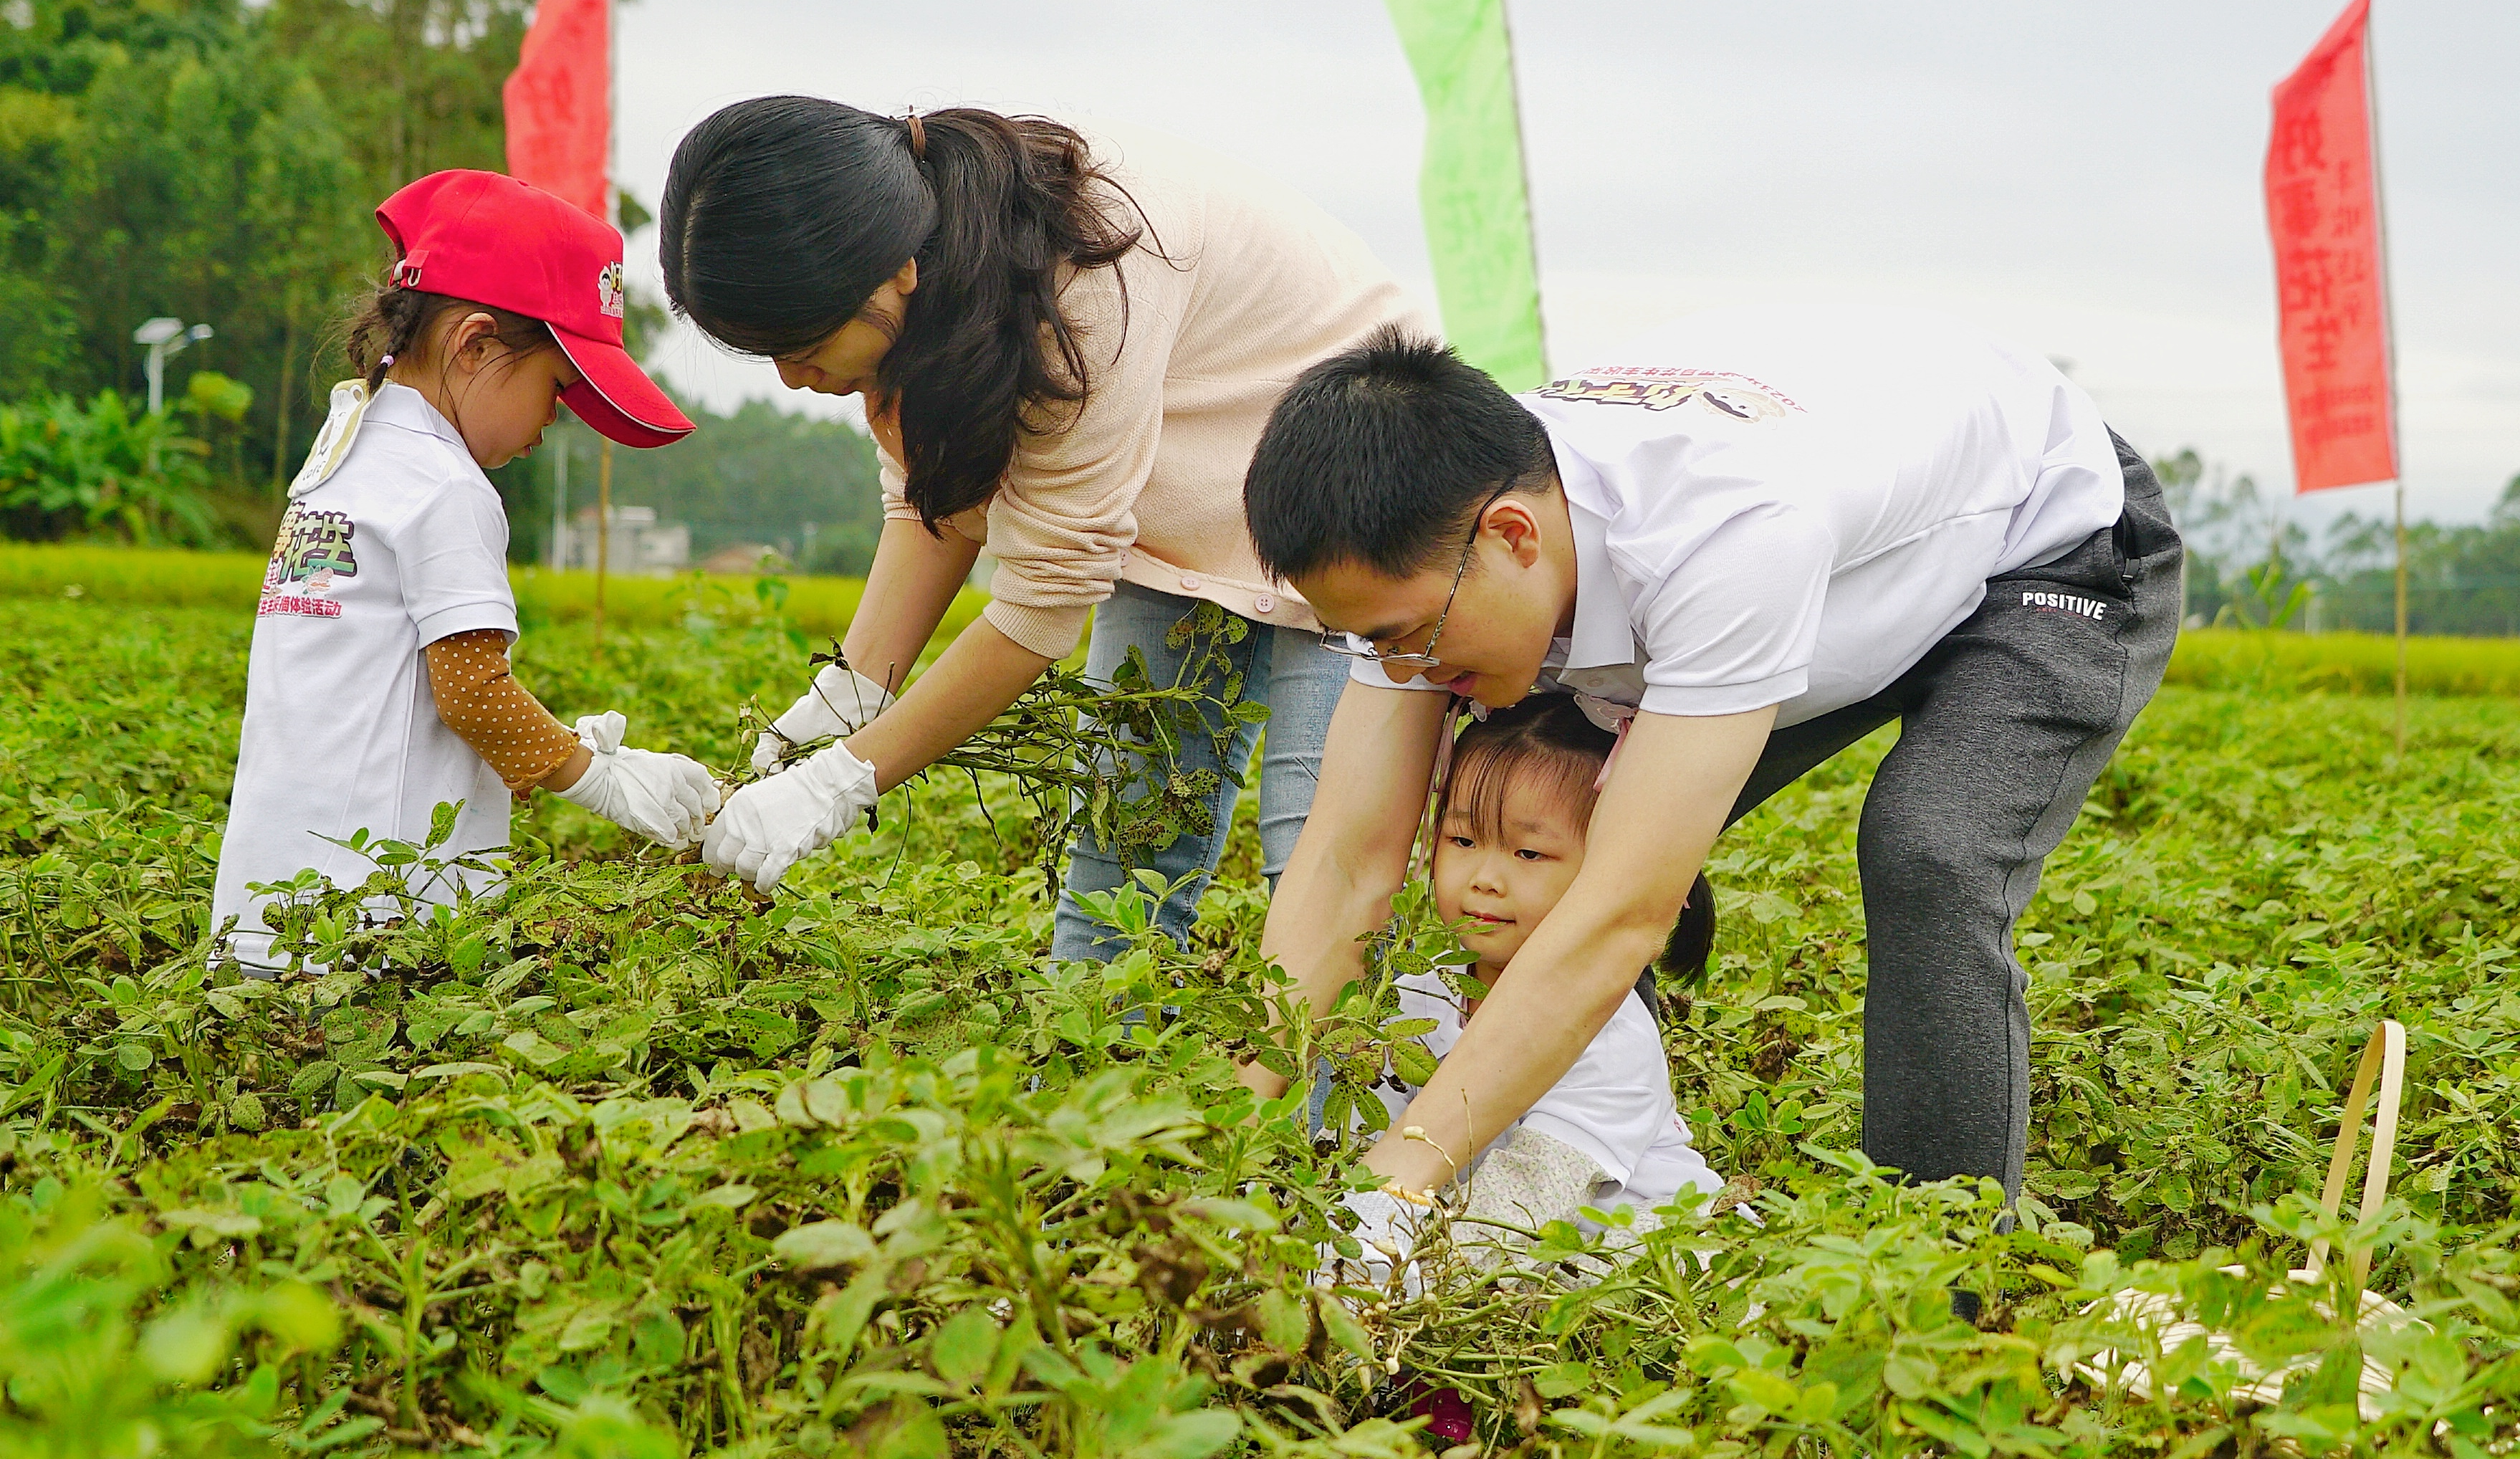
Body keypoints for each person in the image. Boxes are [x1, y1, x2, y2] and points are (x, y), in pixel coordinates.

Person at [1238, 308, 2183, 1266]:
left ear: (1514, 537)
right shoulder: (1423, 534)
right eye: (1367, 643)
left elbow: (1623, 913)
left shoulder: (1720, 535)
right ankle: (1593, 1209)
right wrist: (1210, 1140)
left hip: (2050, 539)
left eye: (1404, 639)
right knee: (1555, 828)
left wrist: (1392, 1186)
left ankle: (1936, 1281)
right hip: (1849, 543)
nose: (1400, 672)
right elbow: (1348, 860)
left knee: (1927, 851)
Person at [660, 100, 1431, 956]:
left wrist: (846, 779)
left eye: (800, 341)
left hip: (1359, 494)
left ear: (892, 269)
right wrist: (852, 693)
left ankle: (1376, 1091)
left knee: (1321, 872)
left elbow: (1040, 608)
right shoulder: (936, 277)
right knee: (1119, 871)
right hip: (1180, 519)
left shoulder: (1083, 270)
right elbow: (935, 505)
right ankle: (1094, 1087)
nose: (793, 378)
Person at [213, 171, 721, 975]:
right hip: (375, 925)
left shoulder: (346, 447)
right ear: (475, 344)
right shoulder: (447, 486)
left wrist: (556, 740)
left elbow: (389, 683)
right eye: (556, 387)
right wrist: (604, 781)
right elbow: (472, 690)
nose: (552, 422)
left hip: (267, 903)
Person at [1338, 694, 1722, 1286]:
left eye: (1528, 852)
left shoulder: (1608, 1034)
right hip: (1485, 1243)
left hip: (1626, 1247)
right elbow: (1373, 1134)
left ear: (1610, 872)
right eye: (1463, 841)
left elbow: (1529, 1199)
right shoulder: (1419, 985)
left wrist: (1382, 1279)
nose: (1485, 880)